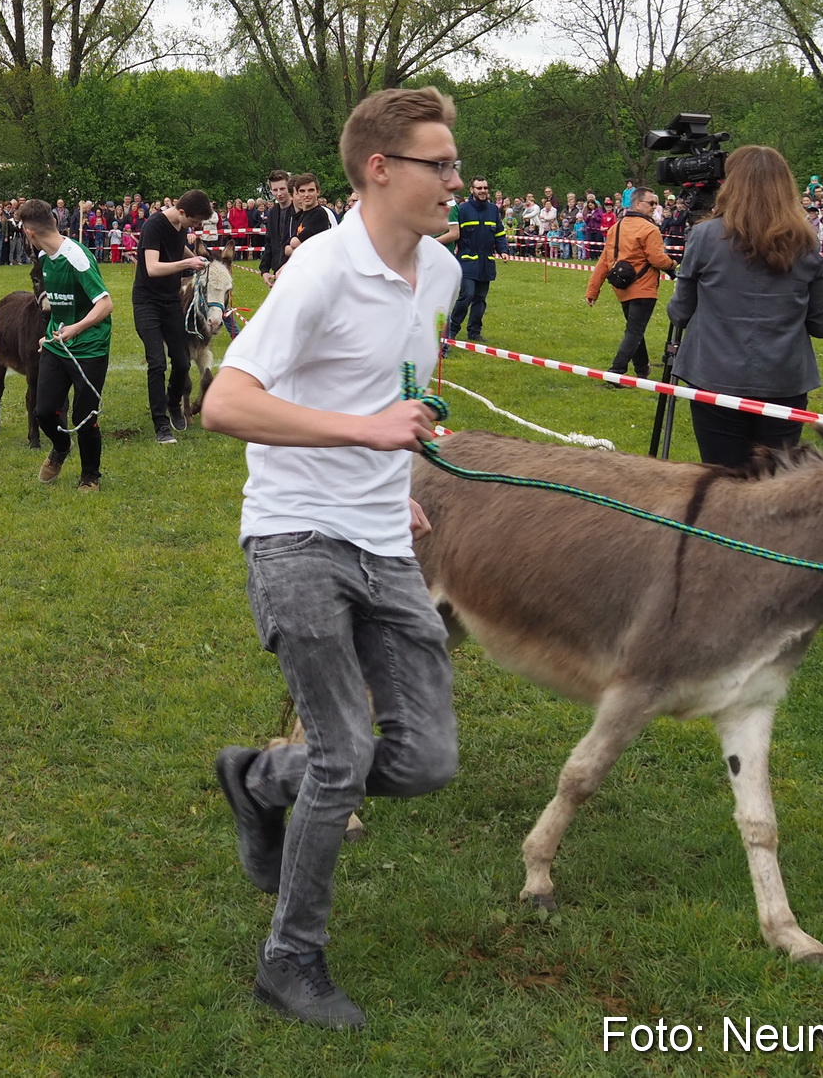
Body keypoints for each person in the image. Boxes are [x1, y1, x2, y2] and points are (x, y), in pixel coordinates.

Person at [202, 86, 462, 1030]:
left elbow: (395, 392)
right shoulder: (317, 268)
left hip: (385, 536)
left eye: (455, 161)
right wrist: (364, 433)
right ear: (379, 169)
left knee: (427, 758)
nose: (456, 179)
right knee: (346, 750)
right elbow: (225, 404)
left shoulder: (441, 276)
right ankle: (290, 959)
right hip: (294, 531)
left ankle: (258, 778)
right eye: (439, 163)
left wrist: (393, 480)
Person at [667, 146, 823, 468]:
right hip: (782, 380)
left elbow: (680, 312)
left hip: (717, 376)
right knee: (772, 486)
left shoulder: (704, 236)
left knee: (724, 479)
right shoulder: (806, 241)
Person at [22, 199, 112, 491]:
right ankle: (61, 447)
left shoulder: (76, 256)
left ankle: (90, 477)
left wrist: (76, 328)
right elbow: (62, 307)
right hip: (57, 346)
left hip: (90, 348)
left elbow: (106, 304)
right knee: (44, 410)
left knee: (85, 416)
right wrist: (49, 334)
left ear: (29, 233)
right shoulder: (46, 260)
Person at [133, 189, 213, 444]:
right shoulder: (154, 227)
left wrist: (200, 260)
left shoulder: (180, 226)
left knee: (181, 361)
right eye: (194, 221)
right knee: (157, 363)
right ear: (181, 212)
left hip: (170, 302)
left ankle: (174, 403)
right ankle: (161, 424)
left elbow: (179, 251)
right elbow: (153, 267)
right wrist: (187, 265)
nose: (196, 226)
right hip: (147, 303)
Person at [586, 188, 675, 378]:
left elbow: (603, 262)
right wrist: (674, 263)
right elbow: (657, 260)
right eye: (651, 203)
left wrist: (593, 290)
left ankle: (642, 370)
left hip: (621, 287)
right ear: (637, 204)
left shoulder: (615, 228)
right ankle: (616, 370)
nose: (655, 207)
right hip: (643, 289)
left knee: (635, 330)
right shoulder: (650, 229)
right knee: (634, 331)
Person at [439, 175, 507, 341]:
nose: (483, 191)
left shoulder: (493, 210)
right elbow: (452, 232)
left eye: (485, 188)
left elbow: (499, 232)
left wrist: (503, 250)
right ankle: (452, 330)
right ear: (472, 190)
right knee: (466, 295)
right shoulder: (463, 210)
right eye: (479, 188)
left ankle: (474, 331)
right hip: (467, 261)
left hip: (486, 262)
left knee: (480, 299)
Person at [285, 174, 334, 258]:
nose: (306, 195)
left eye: (310, 190)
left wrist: (294, 248)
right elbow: (286, 248)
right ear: (298, 193)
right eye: (302, 191)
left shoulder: (319, 214)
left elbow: (294, 243)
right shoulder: (302, 215)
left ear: (318, 192)